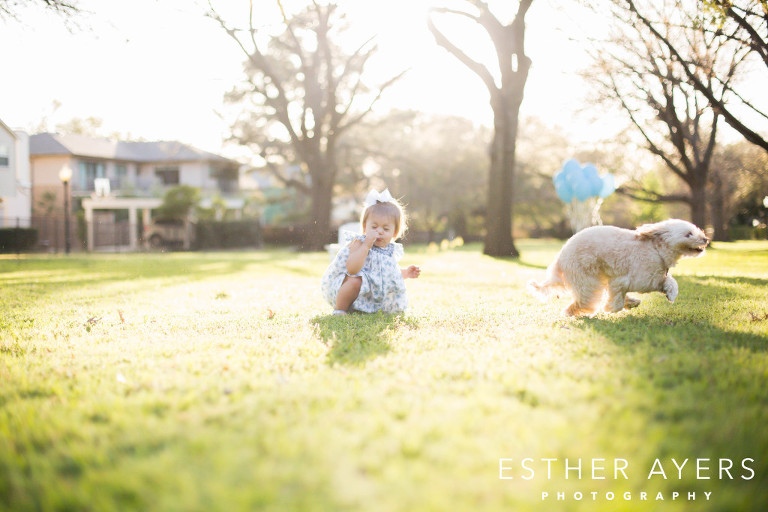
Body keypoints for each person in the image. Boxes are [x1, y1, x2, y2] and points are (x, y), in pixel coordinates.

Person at [321, 188, 421, 315]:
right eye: (374, 227)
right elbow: (352, 269)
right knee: (355, 281)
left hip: (370, 295)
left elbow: (389, 273)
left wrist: (405, 273)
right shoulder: (358, 243)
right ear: (364, 227)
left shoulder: (389, 251)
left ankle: (363, 309)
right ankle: (340, 309)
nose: (379, 231)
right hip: (345, 286)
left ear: (394, 232)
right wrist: (365, 247)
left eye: (385, 228)